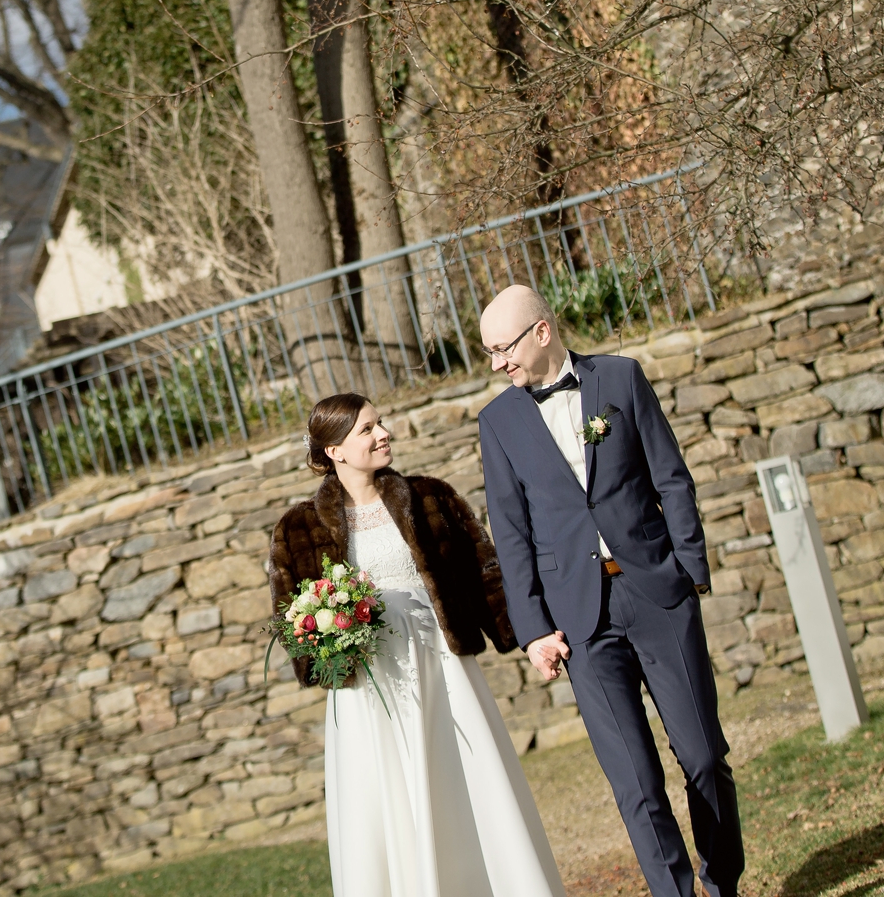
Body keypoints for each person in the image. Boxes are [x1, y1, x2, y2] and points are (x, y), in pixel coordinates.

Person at [477, 284, 744, 897]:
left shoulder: (620, 380)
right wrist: (534, 628)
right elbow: (510, 534)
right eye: (489, 352)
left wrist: (689, 570)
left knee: (703, 756)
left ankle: (722, 883)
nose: (497, 364)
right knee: (636, 783)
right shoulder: (497, 423)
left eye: (503, 348)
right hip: (580, 622)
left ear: (541, 332)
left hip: (657, 593)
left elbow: (671, 477)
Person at [268, 392, 567, 897]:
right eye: (367, 429)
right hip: (367, 687)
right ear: (335, 450)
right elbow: (289, 614)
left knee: (469, 780)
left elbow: (486, 573)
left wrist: (528, 638)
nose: (383, 433)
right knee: (385, 801)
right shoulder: (298, 527)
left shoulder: (432, 498)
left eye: (380, 423)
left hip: (443, 669)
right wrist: (325, 643)